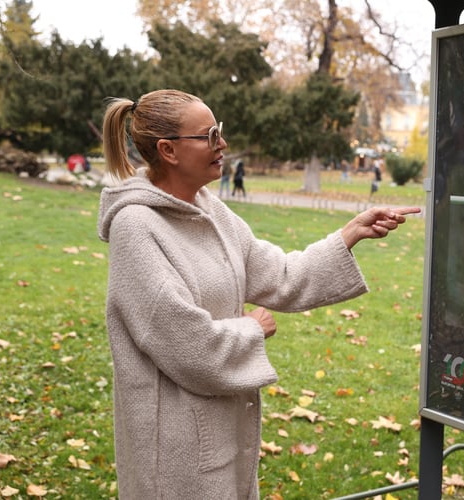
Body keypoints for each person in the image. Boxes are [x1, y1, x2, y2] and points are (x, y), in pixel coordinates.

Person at [97, 89, 420, 499]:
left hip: (221, 432)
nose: (222, 145)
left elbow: (281, 274)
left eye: (220, 133)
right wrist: (251, 328)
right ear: (168, 150)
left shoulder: (211, 212)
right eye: (209, 136)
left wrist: (351, 232)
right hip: (173, 451)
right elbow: (184, 343)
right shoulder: (136, 228)